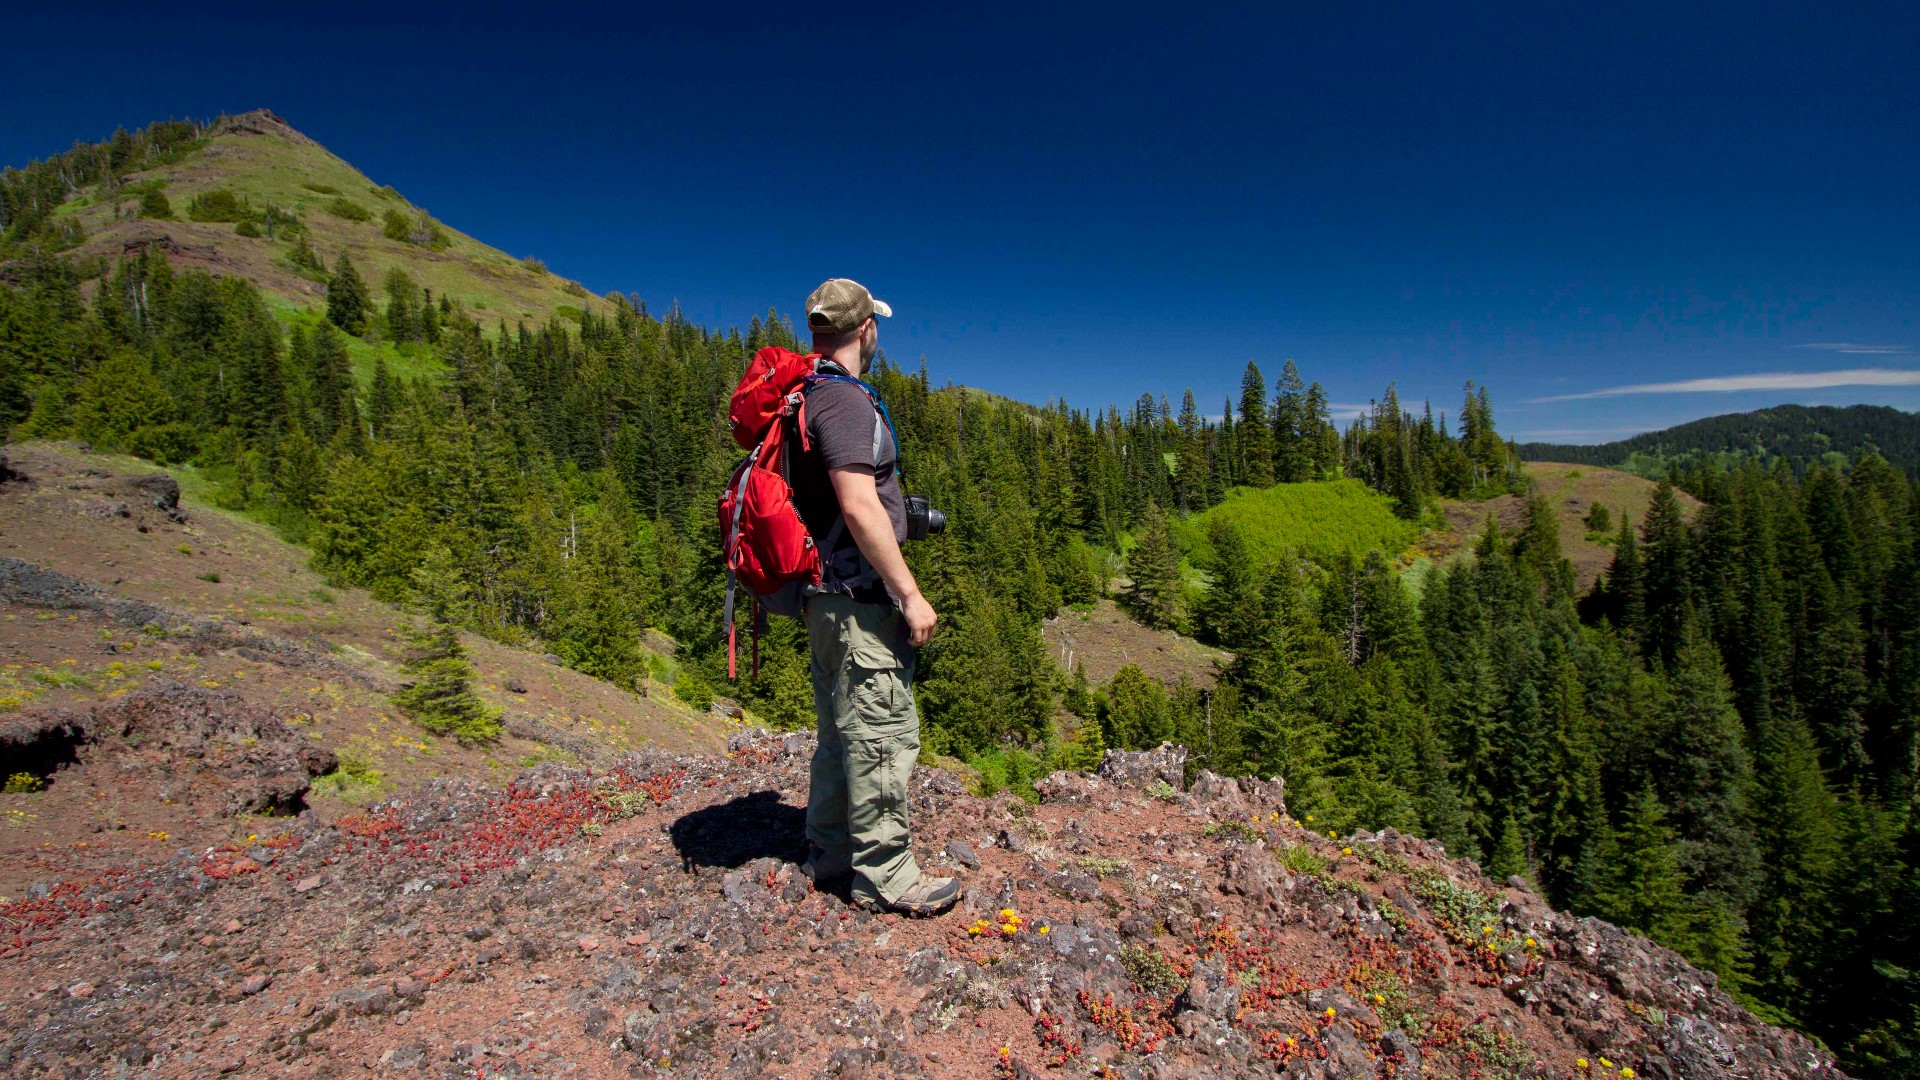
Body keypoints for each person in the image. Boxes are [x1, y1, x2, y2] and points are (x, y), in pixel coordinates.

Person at [790, 277, 960, 917]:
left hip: (824, 596)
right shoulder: (845, 402)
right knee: (881, 734)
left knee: (839, 733)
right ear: (865, 329)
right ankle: (886, 875)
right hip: (858, 599)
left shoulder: (806, 396)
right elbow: (859, 506)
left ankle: (829, 851)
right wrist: (909, 594)